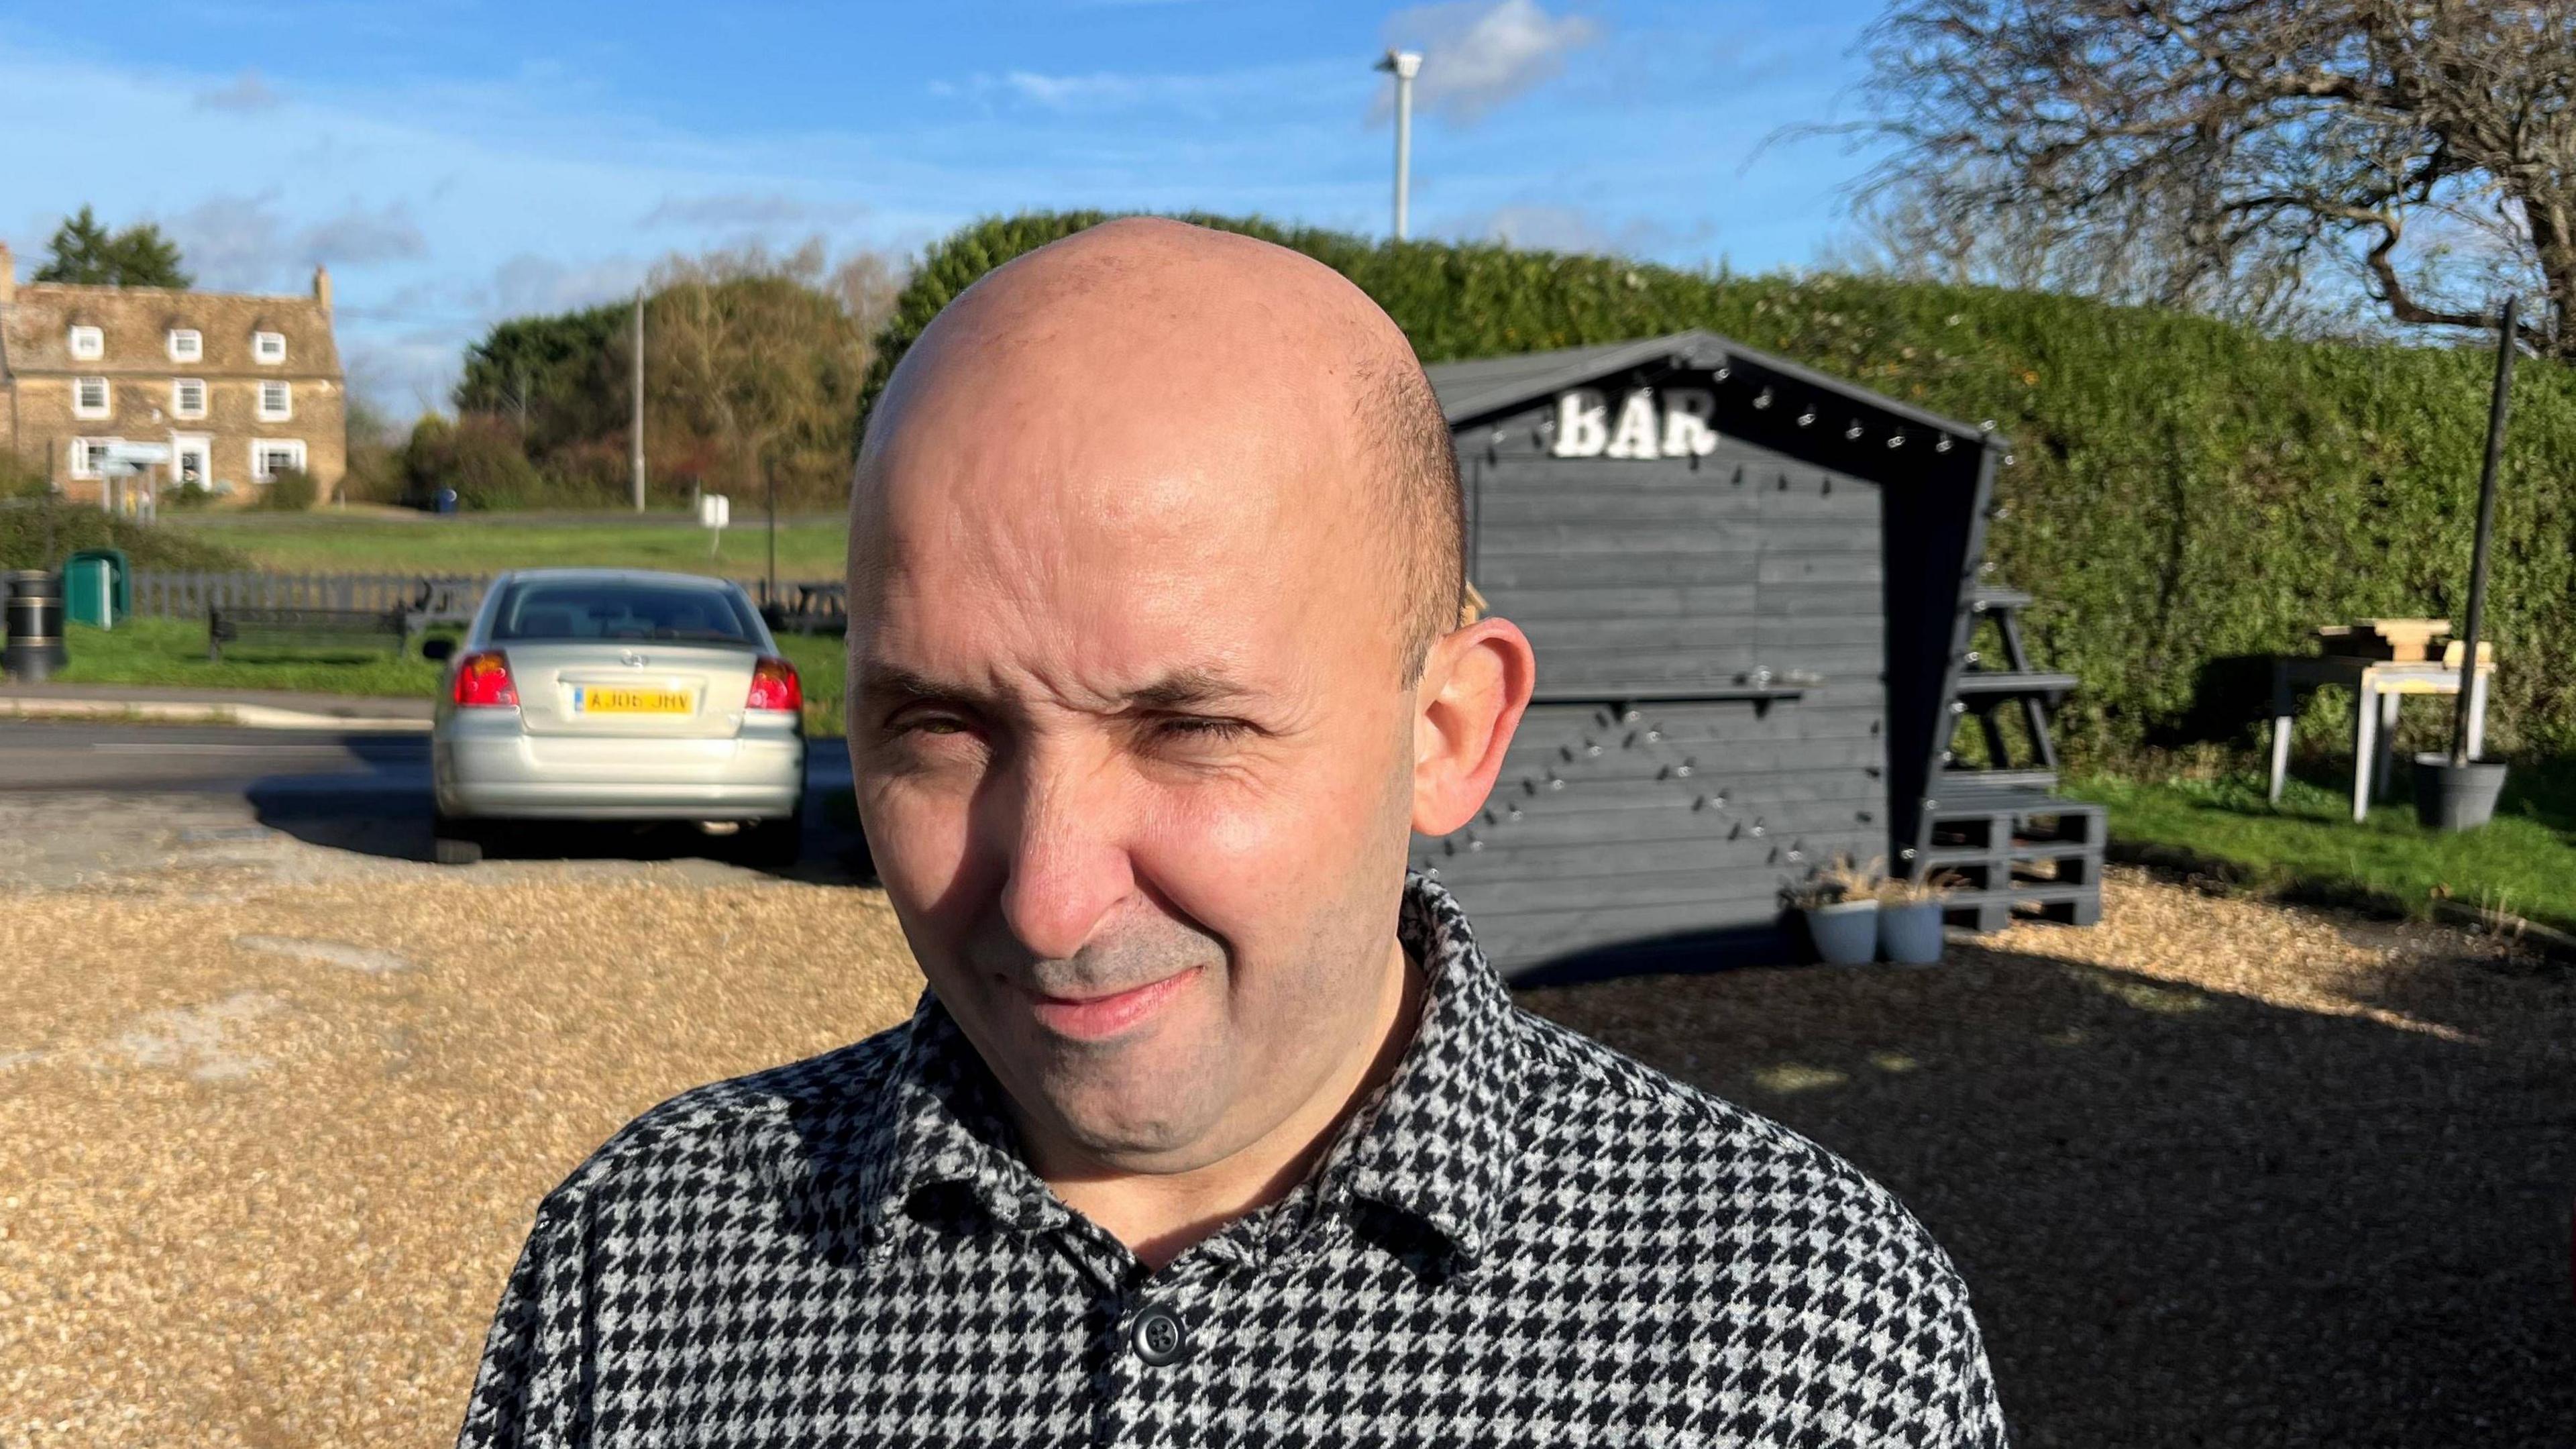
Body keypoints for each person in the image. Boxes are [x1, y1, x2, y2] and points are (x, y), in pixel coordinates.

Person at [455, 218, 2006, 1448]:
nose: (1049, 900)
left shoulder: (1808, 1344)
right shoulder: (641, 1267)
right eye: (941, 730)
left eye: (1190, 731)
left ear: (1446, 733)